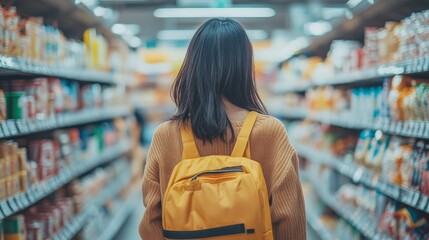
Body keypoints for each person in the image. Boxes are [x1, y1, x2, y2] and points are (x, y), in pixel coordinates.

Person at [139, 18, 306, 240]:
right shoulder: (270, 132)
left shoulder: (166, 135)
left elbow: (151, 221)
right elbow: (289, 221)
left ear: (192, 66)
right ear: (245, 67)